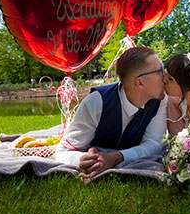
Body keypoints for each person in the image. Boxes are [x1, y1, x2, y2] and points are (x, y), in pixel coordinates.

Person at [55, 46, 167, 180]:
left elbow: (154, 144)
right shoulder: (96, 103)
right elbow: (63, 151)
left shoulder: (159, 101)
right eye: (160, 71)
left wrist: (116, 157)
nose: (166, 77)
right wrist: (85, 160)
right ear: (140, 82)